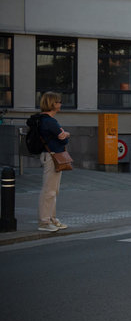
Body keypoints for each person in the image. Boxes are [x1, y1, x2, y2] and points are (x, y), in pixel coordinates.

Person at [37, 91, 70, 232]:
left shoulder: (44, 120)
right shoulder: (49, 121)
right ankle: (45, 222)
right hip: (52, 157)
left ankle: (52, 218)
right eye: (58, 102)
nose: (60, 104)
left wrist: (64, 135)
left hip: (52, 155)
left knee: (53, 190)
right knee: (49, 190)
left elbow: (61, 137)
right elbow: (64, 138)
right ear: (52, 104)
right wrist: (66, 134)